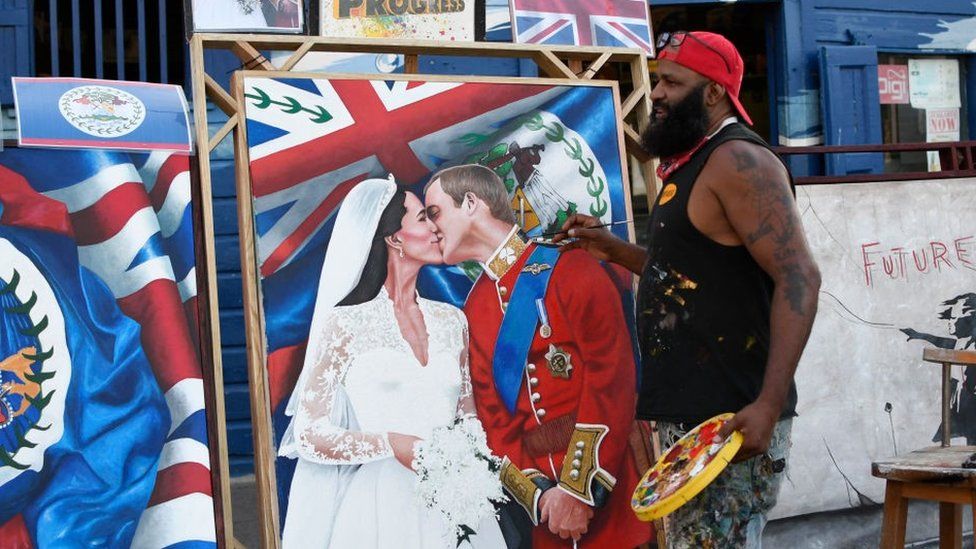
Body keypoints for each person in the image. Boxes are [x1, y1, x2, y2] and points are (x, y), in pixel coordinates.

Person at [558, 31, 821, 548]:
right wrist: (611, 250)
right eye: (657, 80)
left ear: (714, 93)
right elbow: (689, 275)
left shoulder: (738, 161)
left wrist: (767, 405)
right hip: (693, 417)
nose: (656, 93)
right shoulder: (692, 162)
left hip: (733, 422)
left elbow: (801, 278)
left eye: (672, 83)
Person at [423, 164, 653, 548]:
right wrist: (543, 496)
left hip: (610, 490)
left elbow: (611, 378)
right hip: (547, 520)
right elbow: (494, 424)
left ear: (471, 203)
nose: (431, 227)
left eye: (435, 212)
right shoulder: (475, 306)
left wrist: (578, 492)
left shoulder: (570, 267)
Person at [277, 177, 504, 548]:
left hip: (455, 503)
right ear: (393, 238)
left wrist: (469, 469)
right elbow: (309, 434)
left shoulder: (452, 320)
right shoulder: (346, 324)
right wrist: (391, 443)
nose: (435, 228)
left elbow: (468, 416)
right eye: (421, 219)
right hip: (379, 508)